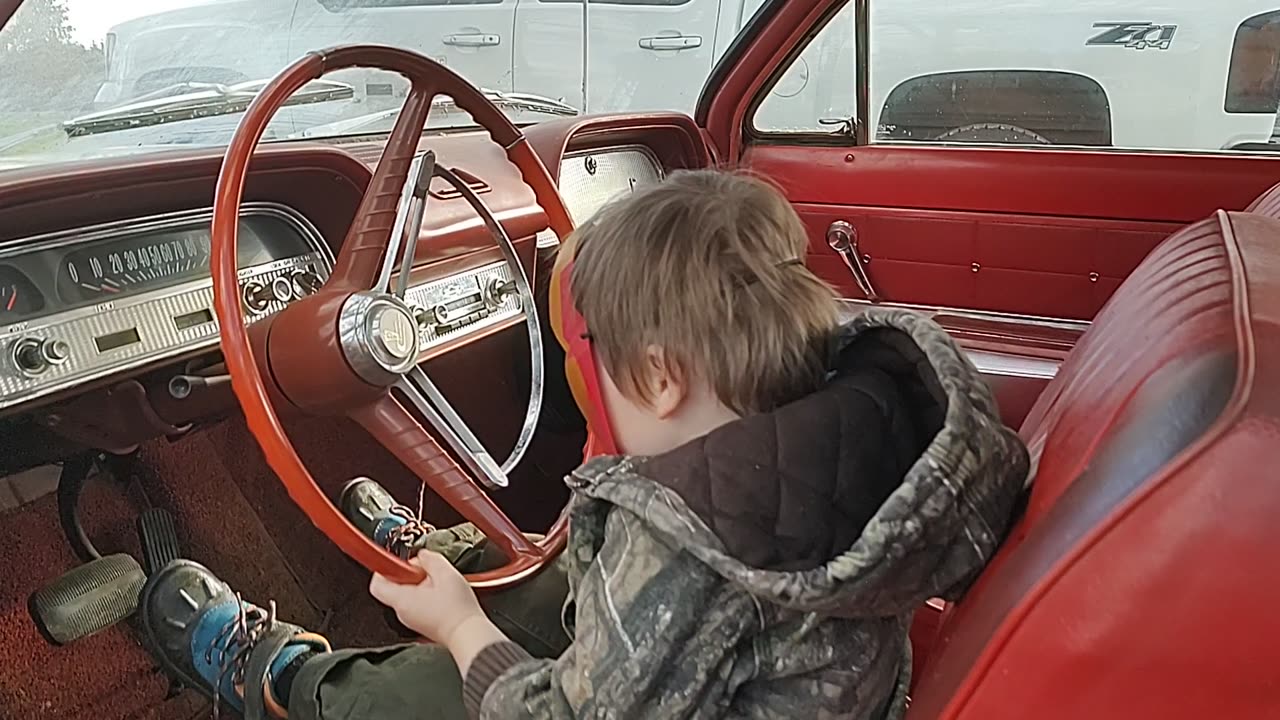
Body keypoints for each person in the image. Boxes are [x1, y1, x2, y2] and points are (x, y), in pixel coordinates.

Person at [136, 170, 1030, 720]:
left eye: (588, 347)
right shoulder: (855, 442)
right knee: (572, 579)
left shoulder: (685, 546)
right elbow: (640, 588)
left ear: (661, 376)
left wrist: (460, 629)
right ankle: (474, 560)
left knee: (413, 696)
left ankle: (277, 676)